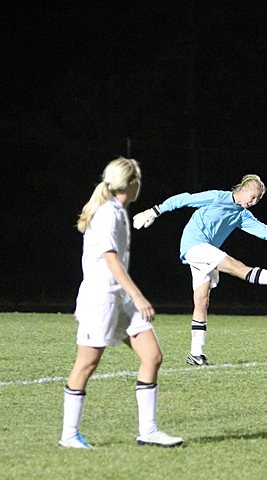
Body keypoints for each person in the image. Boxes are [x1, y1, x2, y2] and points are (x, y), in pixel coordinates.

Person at [59, 157, 183, 448]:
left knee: (152, 356)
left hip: (120, 297)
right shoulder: (107, 214)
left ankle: (148, 431)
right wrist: (139, 297)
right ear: (131, 184)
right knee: (87, 363)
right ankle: (68, 435)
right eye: (139, 179)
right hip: (101, 298)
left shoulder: (118, 211)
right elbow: (110, 258)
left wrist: (130, 297)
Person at [132, 174, 267, 367]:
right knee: (237, 267)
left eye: (258, 199)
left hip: (205, 251)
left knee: (202, 301)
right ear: (242, 190)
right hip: (194, 246)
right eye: (252, 197)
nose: (254, 202)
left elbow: (264, 230)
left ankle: (195, 354)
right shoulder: (218, 197)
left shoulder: (242, 215)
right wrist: (153, 211)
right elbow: (185, 198)